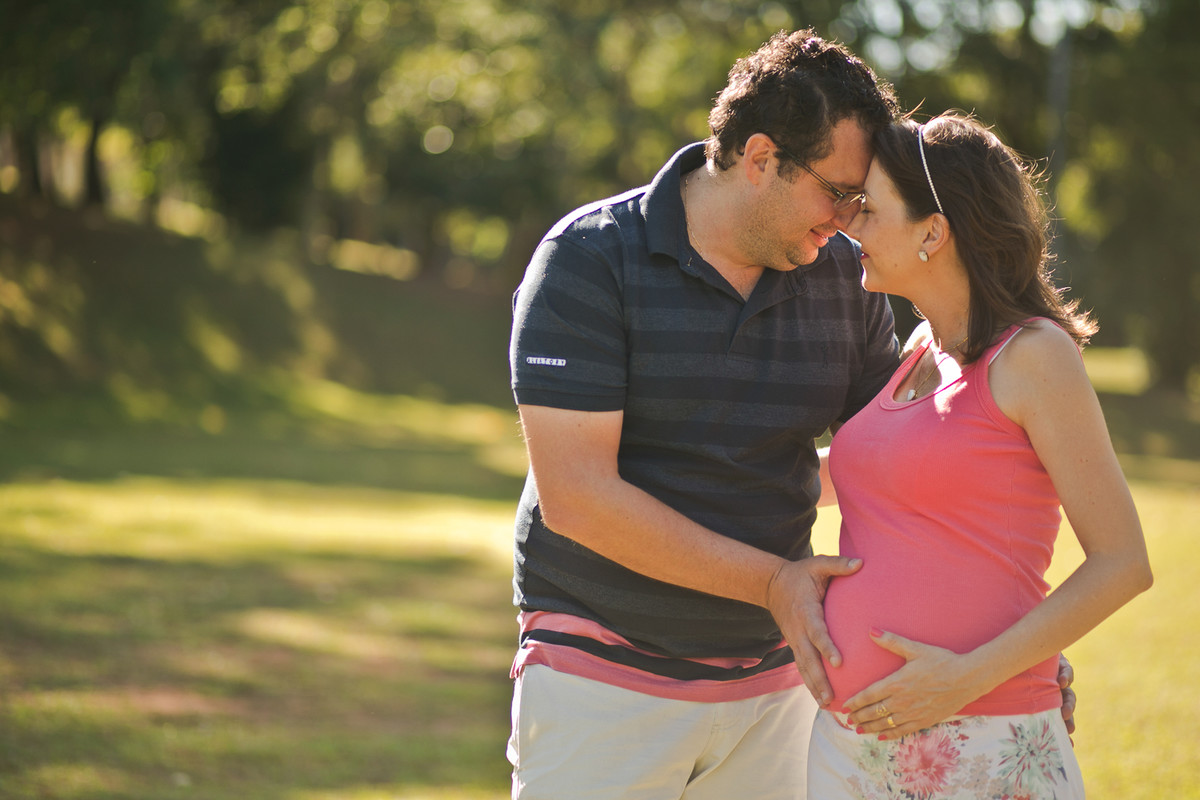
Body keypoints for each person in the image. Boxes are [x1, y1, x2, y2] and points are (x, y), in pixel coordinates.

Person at [506, 29, 1074, 798]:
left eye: (861, 199)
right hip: (602, 678)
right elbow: (577, 497)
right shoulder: (587, 259)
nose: (848, 219)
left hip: (780, 689)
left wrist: (1005, 647)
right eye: (838, 192)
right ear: (760, 158)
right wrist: (774, 581)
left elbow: (908, 469)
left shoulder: (844, 276)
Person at [807, 112, 1153, 798]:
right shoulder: (918, 350)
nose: (850, 226)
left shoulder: (1035, 356)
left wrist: (965, 678)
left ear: (932, 233)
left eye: (869, 209)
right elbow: (856, 483)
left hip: (982, 739)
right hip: (852, 750)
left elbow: (1123, 563)